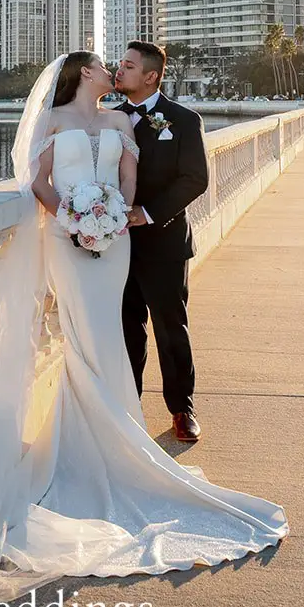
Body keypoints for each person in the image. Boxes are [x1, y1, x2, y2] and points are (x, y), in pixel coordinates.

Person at [0, 50, 287, 607]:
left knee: (122, 335)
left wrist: (114, 218)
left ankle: (132, 431)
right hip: (68, 238)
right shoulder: (55, 121)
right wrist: (69, 217)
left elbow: (131, 182)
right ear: (82, 74)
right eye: (106, 64)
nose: (114, 67)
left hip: (118, 242)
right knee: (92, 337)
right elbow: (36, 180)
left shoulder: (122, 123)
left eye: (124, 64)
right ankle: (102, 441)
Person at [113, 40, 208, 443]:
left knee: (171, 328)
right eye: (120, 64)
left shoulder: (183, 120)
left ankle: (181, 409)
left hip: (165, 243)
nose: (120, 71)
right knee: (125, 329)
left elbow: (195, 179)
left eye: (129, 66)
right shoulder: (107, 119)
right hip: (115, 247)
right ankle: (128, 407)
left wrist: (147, 213)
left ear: (151, 76)